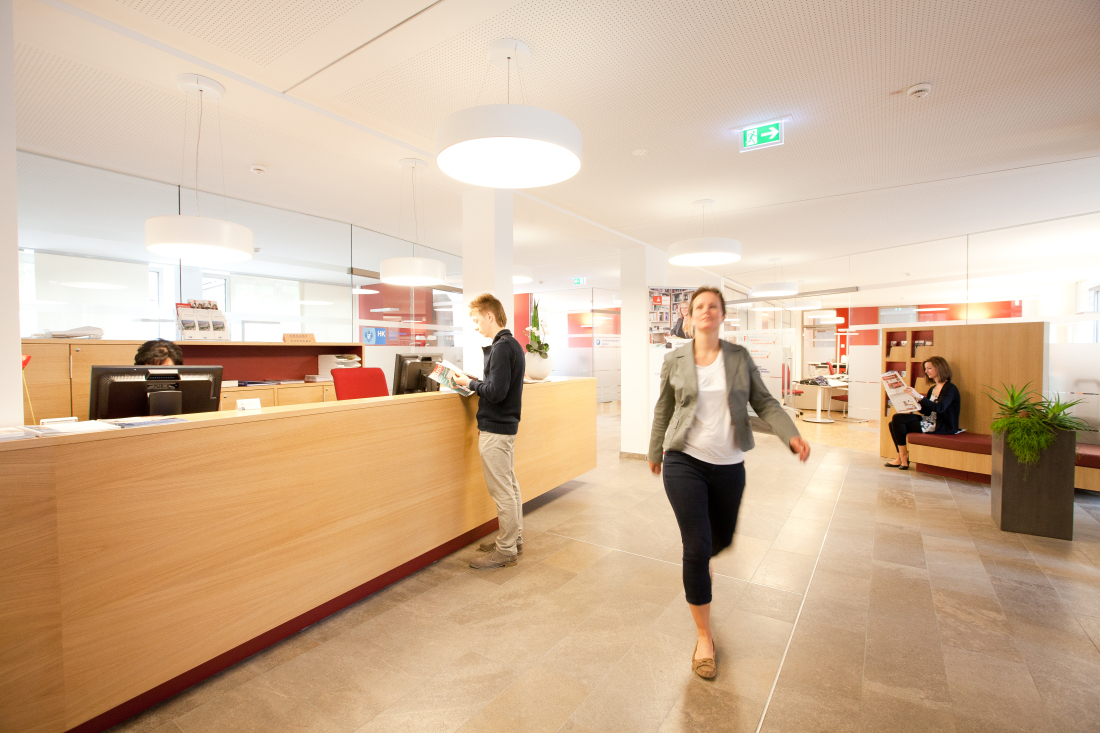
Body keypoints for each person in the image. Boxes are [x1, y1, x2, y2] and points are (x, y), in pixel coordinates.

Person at [649, 285, 810, 680]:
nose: (706, 311)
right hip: (683, 461)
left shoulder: (739, 357)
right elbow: (664, 408)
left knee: (719, 540)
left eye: (713, 306)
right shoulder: (675, 359)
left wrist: (789, 433)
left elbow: (765, 402)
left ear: (722, 315)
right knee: (697, 546)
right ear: (689, 315)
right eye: (699, 306)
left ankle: (704, 560)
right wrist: (655, 451)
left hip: (729, 465)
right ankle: (704, 637)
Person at [453, 293, 526, 569]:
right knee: (510, 486)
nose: (475, 326)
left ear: (490, 316)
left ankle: (505, 549)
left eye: (476, 319)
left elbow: (495, 392)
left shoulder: (502, 348)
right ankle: (513, 539)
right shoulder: (512, 345)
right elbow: (498, 385)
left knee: (502, 491)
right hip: (505, 427)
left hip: (496, 429)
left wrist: (470, 385)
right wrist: (477, 381)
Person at [885, 356, 961, 469]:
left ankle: (903, 457)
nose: (926, 371)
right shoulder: (933, 388)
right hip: (929, 420)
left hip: (941, 425)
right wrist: (914, 401)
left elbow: (940, 408)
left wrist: (919, 397)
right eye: (925, 369)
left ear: (940, 368)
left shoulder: (950, 388)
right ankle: (901, 456)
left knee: (896, 422)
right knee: (895, 420)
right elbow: (926, 412)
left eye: (929, 368)